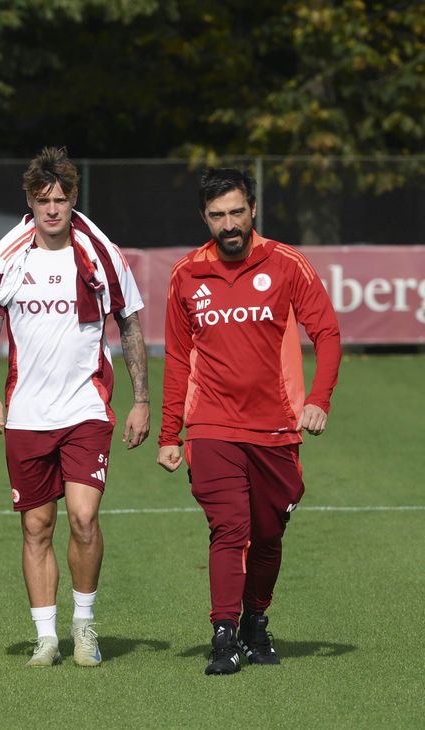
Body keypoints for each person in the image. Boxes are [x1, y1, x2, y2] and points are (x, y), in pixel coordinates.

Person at [157, 167, 341, 675]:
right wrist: (170, 433)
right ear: (205, 218)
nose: (229, 224)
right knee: (229, 528)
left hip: (277, 428)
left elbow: (326, 332)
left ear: (252, 210)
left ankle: (256, 621)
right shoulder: (186, 275)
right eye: (217, 216)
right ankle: (223, 635)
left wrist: (318, 399)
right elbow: (176, 359)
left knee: (268, 532)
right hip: (212, 427)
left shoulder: (287, 264)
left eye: (237, 212)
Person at [0, 147, 150, 668]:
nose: (52, 208)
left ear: (74, 197)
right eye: (42, 199)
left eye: (61, 198)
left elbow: (131, 323)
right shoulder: (6, 253)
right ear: (30, 200)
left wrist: (141, 400)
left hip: (85, 409)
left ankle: (84, 624)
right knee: (35, 527)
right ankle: (46, 636)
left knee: (83, 517)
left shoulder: (100, 252)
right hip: (26, 413)